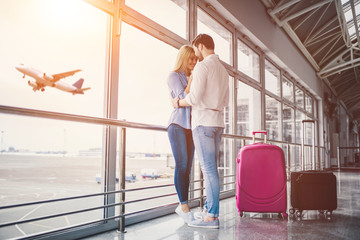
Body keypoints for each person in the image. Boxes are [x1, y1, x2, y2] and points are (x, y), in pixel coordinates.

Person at [172, 34, 229, 229]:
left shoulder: (202, 67)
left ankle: (211, 216)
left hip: (203, 122)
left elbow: (194, 98)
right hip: (218, 122)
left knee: (209, 170)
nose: (195, 55)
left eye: (195, 50)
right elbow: (226, 101)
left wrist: (178, 102)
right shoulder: (223, 70)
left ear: (200, 46)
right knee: (212, 168)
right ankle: (207, 210)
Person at [167, 45, 198, 224]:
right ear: (183, 58)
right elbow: (182, 98)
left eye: (195, 59)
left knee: (188, 168)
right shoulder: (174, 76)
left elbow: (183, 100)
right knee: (182, 164)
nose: (194, 62)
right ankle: (184, 206)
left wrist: (180, 101)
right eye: (190, 59)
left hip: (192, 127)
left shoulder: (194, 77)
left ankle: (183, 206)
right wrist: (193, 79)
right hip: (177, 125)